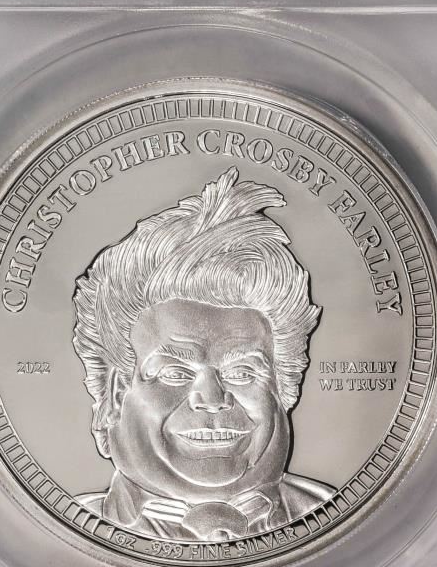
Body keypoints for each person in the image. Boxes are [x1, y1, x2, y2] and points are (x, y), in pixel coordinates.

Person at [72, 167, 335, 541]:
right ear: (116, 395)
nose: (212, 399)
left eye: (243, 373)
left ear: (283, 390)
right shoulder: (57, 531)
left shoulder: (344, 517)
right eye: (175, 373)